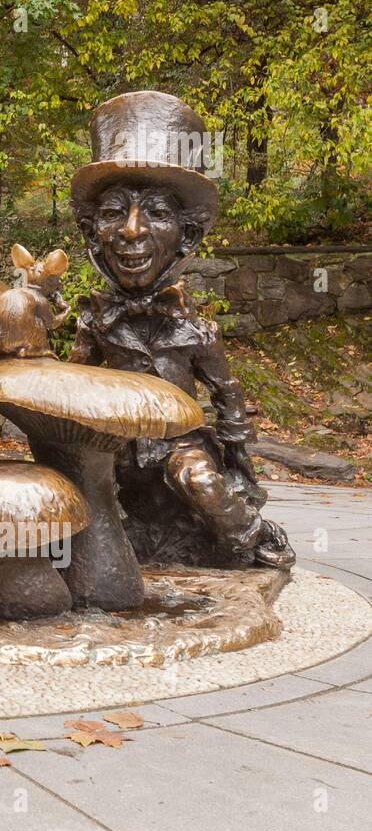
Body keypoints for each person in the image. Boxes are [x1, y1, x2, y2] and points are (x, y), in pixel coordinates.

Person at [70, 90, 293, 569]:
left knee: (203, 485)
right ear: (92, 233)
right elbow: (67, 394)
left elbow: (228, 401)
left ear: (186, 236)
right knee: (71, 494)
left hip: (180, 445)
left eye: (157, 212)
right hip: (113, 446)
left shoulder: (197, 332)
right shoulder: (94, 321)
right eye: (113, 214)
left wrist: (240, 476)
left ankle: (249, 540)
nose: (132, 231)